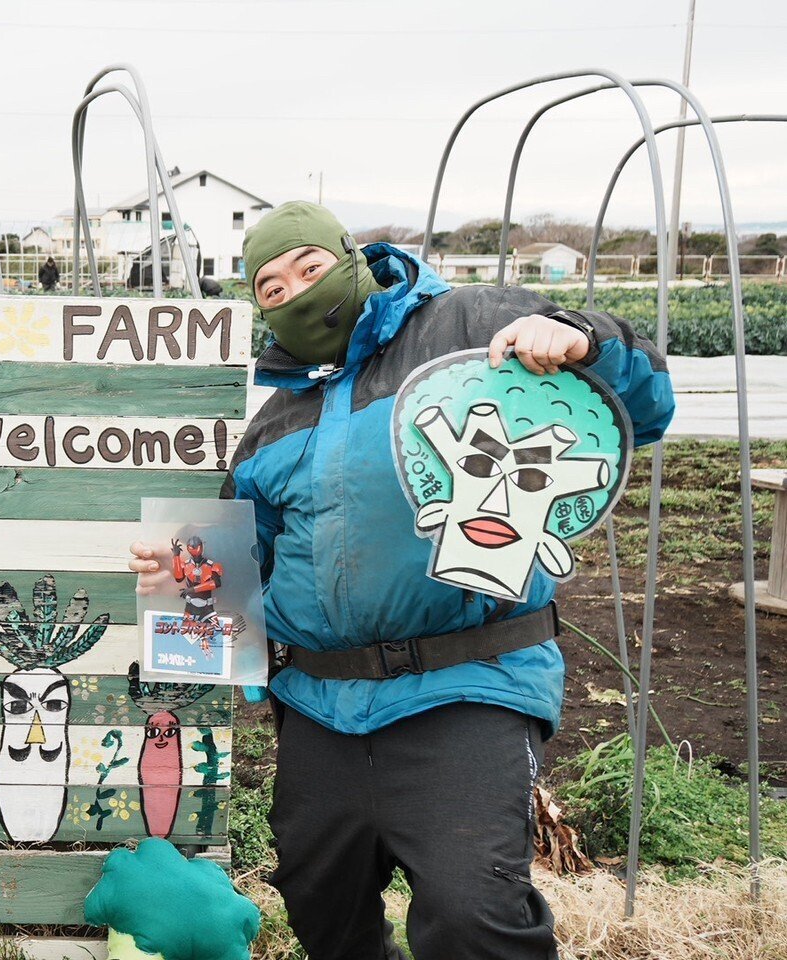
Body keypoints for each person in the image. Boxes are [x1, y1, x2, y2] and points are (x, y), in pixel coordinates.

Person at [129, 201, 674, 960]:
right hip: (321, 701)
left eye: (309, 268)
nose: (294, 290)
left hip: (465, 683)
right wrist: (184, 573)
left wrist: (584, 341)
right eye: (271, 286)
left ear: (353, 259)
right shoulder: (276, 419)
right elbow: (239, 568)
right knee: (321, 903)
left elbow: (641, 409)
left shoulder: (468, 326)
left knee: (469, 914)